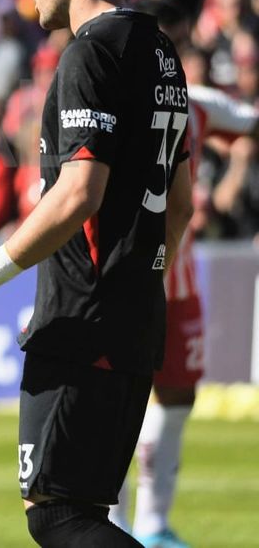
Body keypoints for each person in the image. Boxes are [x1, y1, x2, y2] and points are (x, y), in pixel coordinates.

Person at [0, 0, 195, 548]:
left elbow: (78, 193)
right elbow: (182, 201)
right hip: (134, 316)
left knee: (58, 515)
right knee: (83, 512)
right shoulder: (160, 51)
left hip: (84, 319)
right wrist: (138, 280)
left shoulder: (89, 54)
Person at [111, 81, 259, 548]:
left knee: (176, 395)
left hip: (180, 281)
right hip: (118, 281)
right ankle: (112, 524)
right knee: (113, 397)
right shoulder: (107, 94)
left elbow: (250, 124)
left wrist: (238, 162)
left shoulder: (198, 103)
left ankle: (153, 525)